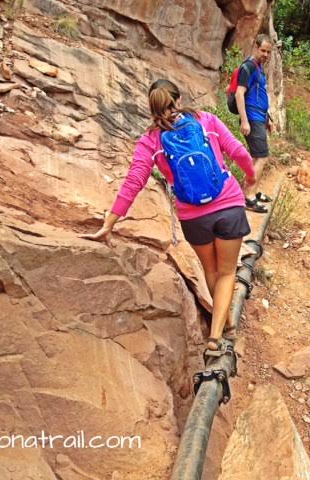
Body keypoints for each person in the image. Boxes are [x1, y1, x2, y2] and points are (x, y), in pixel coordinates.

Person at [82, 79, 256, 353]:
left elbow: (134, 181)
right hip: (228, 204)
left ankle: (224, 325)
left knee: (211, 270)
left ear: (152, 108)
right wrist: (250, 175)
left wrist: (110, 222)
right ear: (178, 97)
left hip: (193, 217)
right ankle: (216, 335)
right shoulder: (205, 121)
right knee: (227, 272)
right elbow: (237, 150)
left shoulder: (151, 140)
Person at [234, 33, 274, 213]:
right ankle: (248, 197)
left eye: (268, 52)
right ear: (256, 47)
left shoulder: (258, 68)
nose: (265, 54)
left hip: (259, 118)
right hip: (252, 118)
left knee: (257, 156)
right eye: (263, 50)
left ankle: (252, 191)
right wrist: (245, 120)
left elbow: (260, 96)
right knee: (262, 157)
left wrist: (268, 119)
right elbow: (239, 93)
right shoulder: (248, 67)